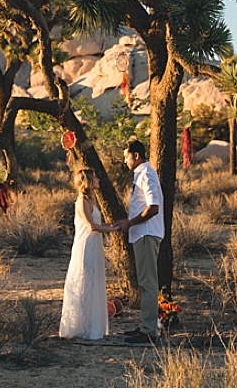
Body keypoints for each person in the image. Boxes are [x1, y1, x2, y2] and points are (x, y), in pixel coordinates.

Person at [59, 167, 117, 340]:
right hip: (86, 246)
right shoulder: (82, 201)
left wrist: (113, 225)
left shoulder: (92, 199)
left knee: (93, 282)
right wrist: (114, 228)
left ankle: (90, 323)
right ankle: (80, 326)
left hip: (95, 245)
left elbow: (98, 224)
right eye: (95, 178)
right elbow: (91, 226)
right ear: (88, 181)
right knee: (85, 282)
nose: (99, 180)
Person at [115, 140, 164, 345]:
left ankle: (150, 331)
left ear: (136, 155)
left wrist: (131, 222)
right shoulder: (141, 175)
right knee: (145, 283)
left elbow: (153, 207)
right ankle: (145, 325)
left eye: (126, 156)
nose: (125, 160)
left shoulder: (146, 174)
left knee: (148, 283)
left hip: (145, 234)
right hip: (141, 234)